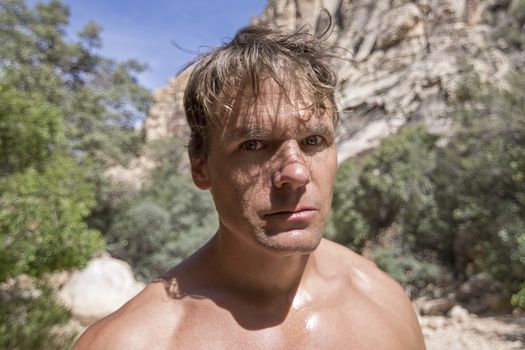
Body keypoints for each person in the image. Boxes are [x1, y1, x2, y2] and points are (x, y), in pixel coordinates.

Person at [73, 25, 426, 349]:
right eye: (254, 145)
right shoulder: (133, 342)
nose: (296, 172)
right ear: (201, 167)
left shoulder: (384, 301)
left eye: (314, 140)